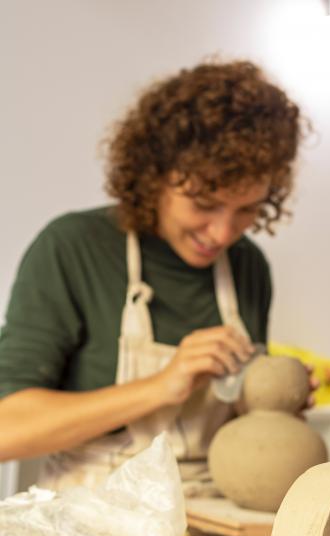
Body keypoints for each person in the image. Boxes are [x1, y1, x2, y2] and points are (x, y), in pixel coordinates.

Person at [0, 59, 306, 491]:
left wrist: (273, 399)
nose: (221, 233)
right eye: (204, 204)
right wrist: (162, 386)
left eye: (246, 210)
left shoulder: (247, 265)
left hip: (209, 514)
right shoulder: (73, 248)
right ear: (155, 175)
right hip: (91, 519)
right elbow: (6, 430)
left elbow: (245, 433)